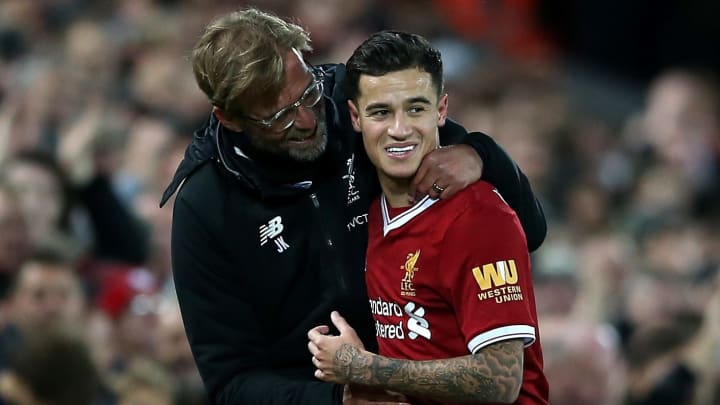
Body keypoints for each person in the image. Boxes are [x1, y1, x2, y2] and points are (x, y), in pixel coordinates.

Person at [161, 8, 546, 404]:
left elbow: (528, 231)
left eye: (308, 94)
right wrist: (340, 398)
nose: (308, 120)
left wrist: (482, 154)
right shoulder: (204, 206)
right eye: (280, 117)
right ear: (230, 119)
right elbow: (230, 384)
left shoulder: (364, 100)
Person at [307, 31, 548, 404]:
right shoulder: (367, 211)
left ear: (441, 109)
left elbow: (500, 380)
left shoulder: (479, 218)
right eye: (381, 112)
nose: (399, 130)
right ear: (356, 117)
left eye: (416, 109)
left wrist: (364, 368)